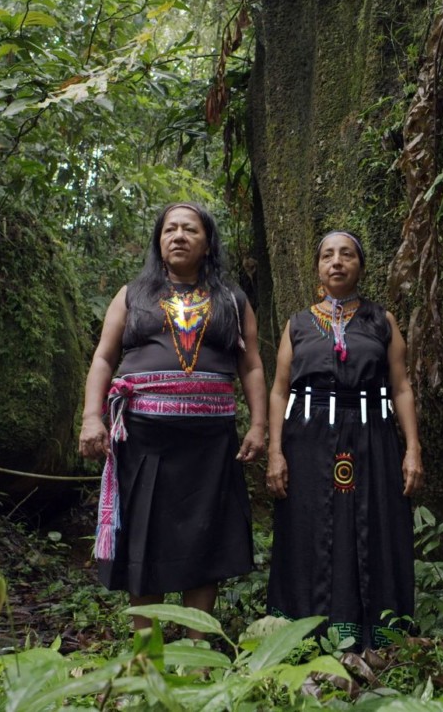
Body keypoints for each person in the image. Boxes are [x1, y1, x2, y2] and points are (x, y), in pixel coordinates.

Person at [78, 202, 267, 636]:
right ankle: (147, 649)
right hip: (144, 440)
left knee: (206, 540)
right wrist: (92, 417)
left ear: (207, 243)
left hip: (210, 443)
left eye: (190, 230)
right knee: (145, 539)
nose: (178, 236)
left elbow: (252, 365)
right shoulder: (132, 295)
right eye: (170, 230)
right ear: (159, 242)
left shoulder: (232, 299)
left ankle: (197, 649)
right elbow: (104, 357)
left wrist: (259, 426)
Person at [265, 230, 424, 649]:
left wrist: (412, 449)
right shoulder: (297, 324)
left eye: (347, 254)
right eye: (328, 256)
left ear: (360, 266)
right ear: (317, 268)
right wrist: (275, 452)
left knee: (375, 522)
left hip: (373, 438)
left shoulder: (381, 321)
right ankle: (301, 632)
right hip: (308, 440)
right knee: (308, 525)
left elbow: (402, 386)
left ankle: (379, 631)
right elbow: (279, 390)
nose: (337, 262)